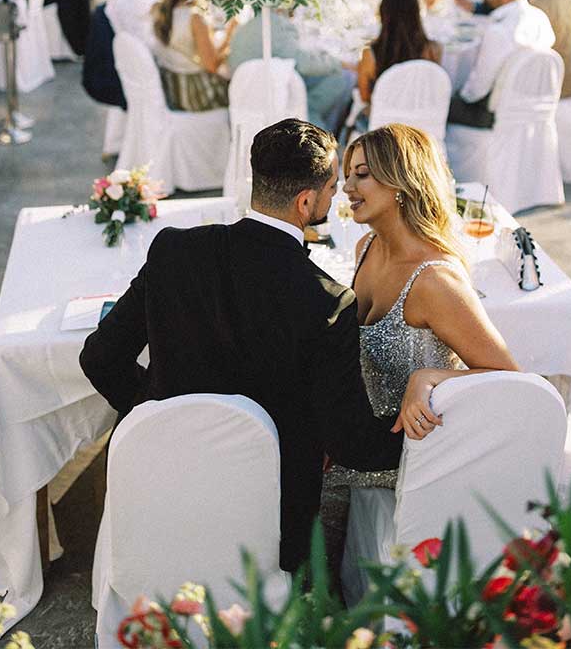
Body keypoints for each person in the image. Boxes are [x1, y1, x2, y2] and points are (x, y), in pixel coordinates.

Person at [79, 118, 438, 574]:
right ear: (305, 201)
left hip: (162, 489)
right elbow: (352, 445)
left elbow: (99, 357)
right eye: (331, 187)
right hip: (271, 523)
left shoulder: (174, 251)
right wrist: (431, 426)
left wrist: (160, 415)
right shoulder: (326, 303)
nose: (338, 195)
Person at [321, 125, 518, 567]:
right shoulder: (366, 247)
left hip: (408, 456)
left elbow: (512, 381)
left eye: (362, 175)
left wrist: (429, 378)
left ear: (401, 183)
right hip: (362, 436)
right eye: (348, 175)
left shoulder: (434, 280)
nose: (346, 187)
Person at [447, 0, 555, 128]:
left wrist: (458, 93)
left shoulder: (499, 31)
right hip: (532, 108)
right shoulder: (540, 17)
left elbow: (476, 91)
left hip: (495, 114)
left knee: (436, 103)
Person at [227, 10, 354, 134]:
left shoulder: (240, 31)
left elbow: (230, 67)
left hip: (246, 112)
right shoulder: (277, 24)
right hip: (279, 107)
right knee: (344, 77)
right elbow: (304, 64)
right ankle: (320, 134)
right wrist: (339, 63)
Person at [151, 0, 236, 111]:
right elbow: (212, 65)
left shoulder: (161, 9)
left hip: (175, 89)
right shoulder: (195, 17)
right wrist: (230, 36)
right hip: (196, 94)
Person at [357, 0, 442, 108]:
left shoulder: (370, 53)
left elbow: (364, 97)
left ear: (383, 12)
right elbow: (432, 91)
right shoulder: (433, 49)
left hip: (384, 123)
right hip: (420, 121)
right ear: (416, 13)